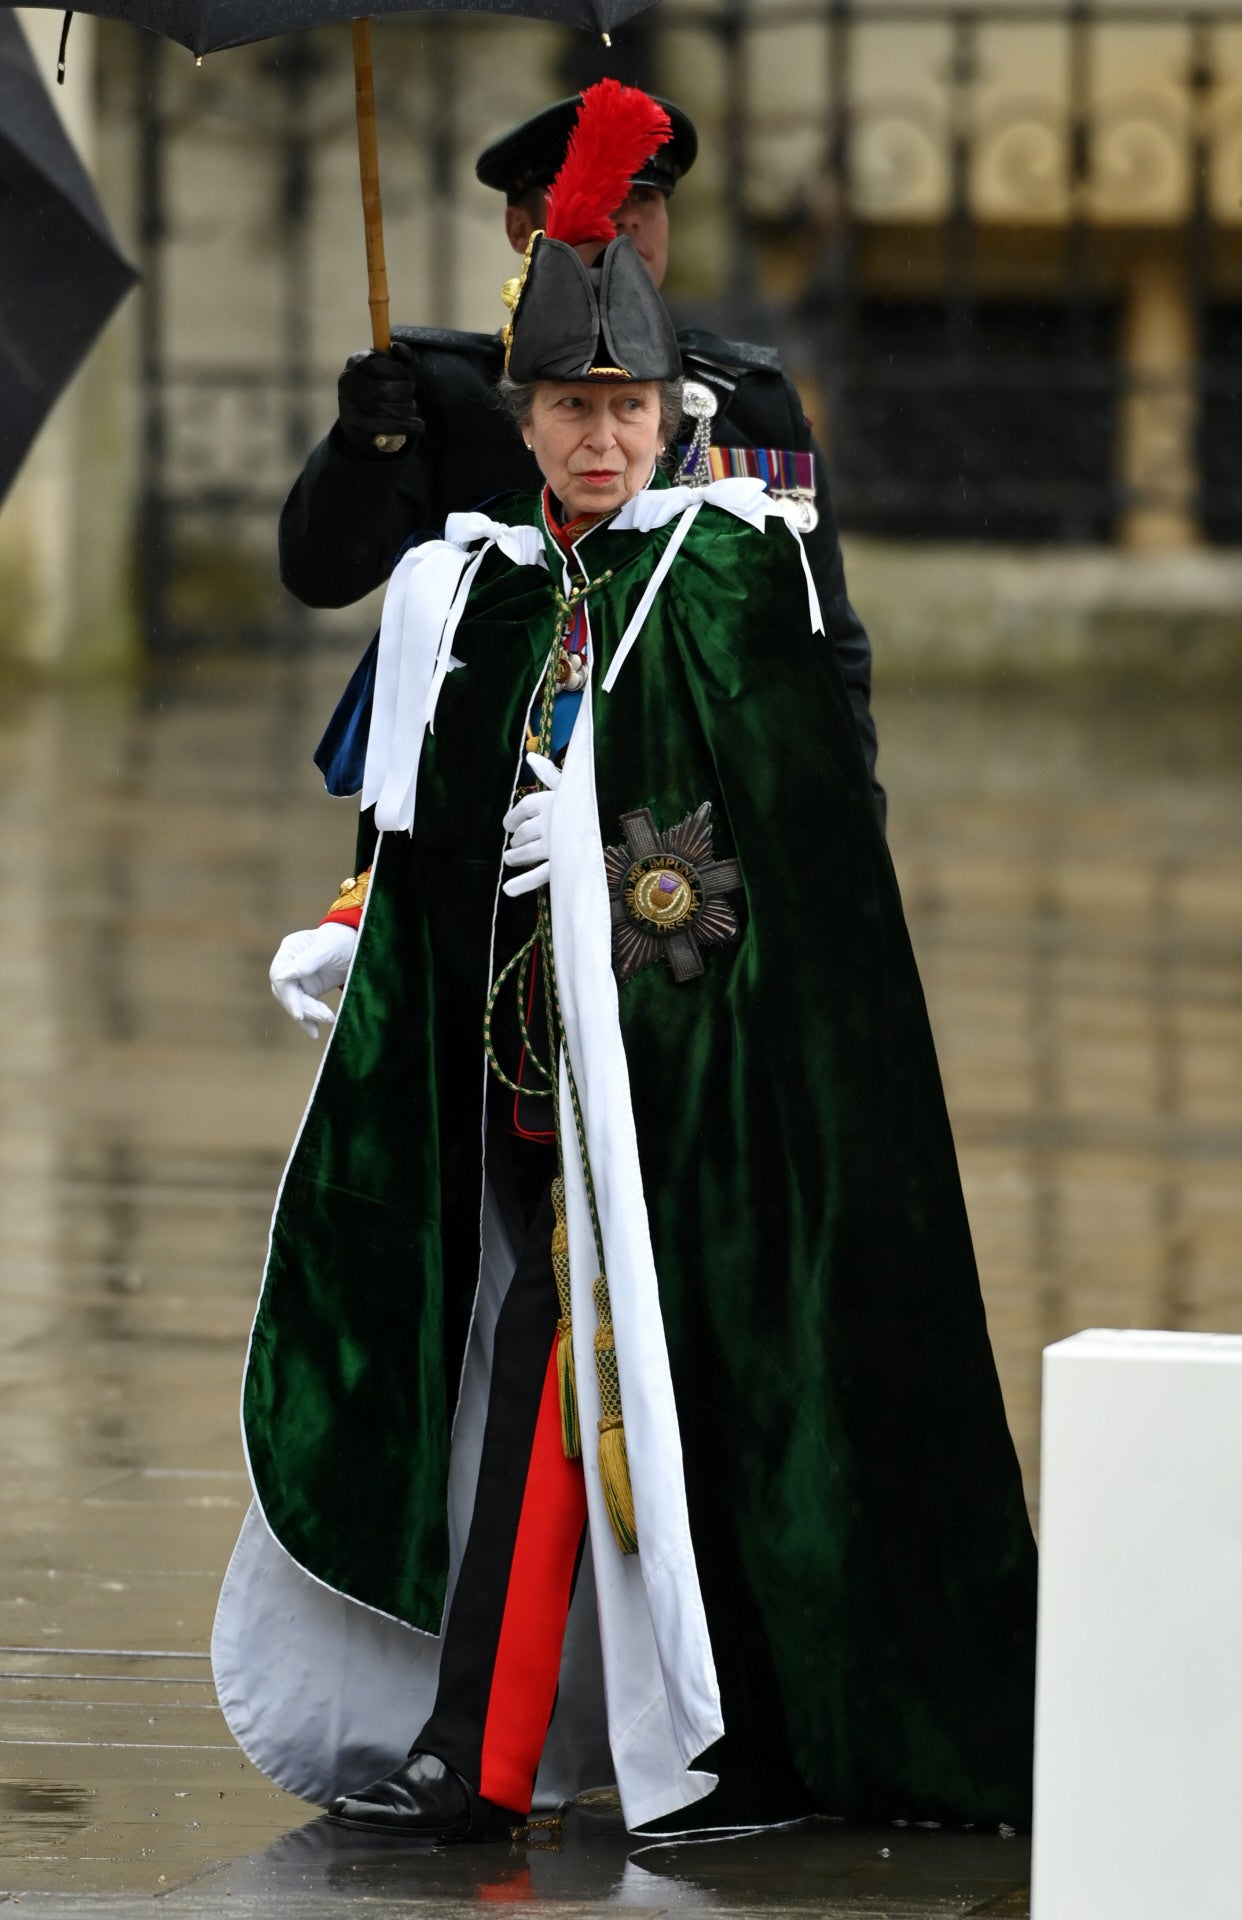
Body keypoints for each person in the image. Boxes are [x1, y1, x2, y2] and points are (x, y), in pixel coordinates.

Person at [213, 82, 1035, 1846]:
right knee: (524, 1349)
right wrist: (368, 450)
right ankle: (504, 1743)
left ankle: (691, 1725)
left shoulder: (740, 479)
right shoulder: (444, 436)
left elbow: (793, 726)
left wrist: (703, 887)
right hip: (513, 1009)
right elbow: (387, 701)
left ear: (666, 407)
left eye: (626, 405)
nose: (600, 432)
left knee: (694, 1357)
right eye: (570, 405)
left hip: (685, 999)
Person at [277, 89, 886, 824]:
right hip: (491, 810)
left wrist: (848, 839)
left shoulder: (748, 401)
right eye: (596, 192)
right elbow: (323, 572)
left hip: (689, 823)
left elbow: (821, 645)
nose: (624, 216)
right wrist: (363, 445)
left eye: (648, 197)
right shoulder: (445, 393)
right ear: (519, 223)